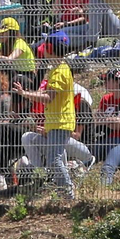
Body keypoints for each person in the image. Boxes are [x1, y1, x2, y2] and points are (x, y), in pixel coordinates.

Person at [13, 30, 77, 200]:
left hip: (60, 122)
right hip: (56, 122)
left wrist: (25, 93)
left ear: (49, 48)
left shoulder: (59, 72)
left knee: (54, 160)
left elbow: (48, 98)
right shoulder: (58, 68)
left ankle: (68, 192)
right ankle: (61, 189)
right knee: (48, 153)